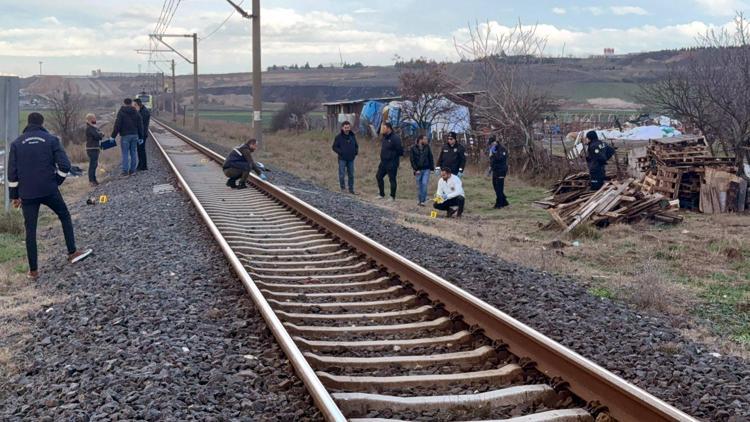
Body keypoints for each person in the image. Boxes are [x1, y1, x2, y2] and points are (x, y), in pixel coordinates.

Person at [7, 112, 93, 280]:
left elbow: (12, 174)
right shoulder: (51, 140)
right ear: (42, 123)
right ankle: (72, 252)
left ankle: (33, 271)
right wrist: (57, 182)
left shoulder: (16, 144)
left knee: (30, 231)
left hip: (27, 194)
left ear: (28, 124)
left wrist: (15, 196)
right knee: (64, 216)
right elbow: (65, 165)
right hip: (49, 190)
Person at [111, 98, 144, 176]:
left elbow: (117, 125)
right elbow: (140, 125)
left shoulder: (121, 112)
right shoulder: (136, 112)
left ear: (124, 103)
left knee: (125, 153)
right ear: (131, 103)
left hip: (125, 136)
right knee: (133, 152)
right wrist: (141, 137)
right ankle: (132, 170)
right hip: (135, 135)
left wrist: (113, 136)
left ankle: (125, 171)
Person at [375, 122, 403, 200]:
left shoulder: (395, 138)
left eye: (384, 128)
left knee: (392, 179)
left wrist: (392, 156)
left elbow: (400, 151)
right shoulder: (384, 137)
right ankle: (381, 194)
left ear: (388, 128)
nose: (382, 130)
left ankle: (392, 196)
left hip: (392, 162)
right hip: (383, 162)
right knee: (378, 176)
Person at [331, 120, 358, 194]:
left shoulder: (352, 136)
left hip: (351, 159)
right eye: (345, 127)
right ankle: (343, 188)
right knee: (342, 174)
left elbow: (356, 145)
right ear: (342, 128)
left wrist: (355, 152)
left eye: (348, 127)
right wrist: (341, 152)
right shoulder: (338, 137)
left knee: (351, 175)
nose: (347, 129)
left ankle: (351, 189)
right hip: (342, 159)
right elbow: (334, 147)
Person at [410, 134, 434, 206]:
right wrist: (415, 169)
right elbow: (412, 160)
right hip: (418, 170)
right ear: (421, 140)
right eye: (425, 139)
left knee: (424, 184)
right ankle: (420, 200)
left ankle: (423, 201)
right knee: (419, 186)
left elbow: (430, 157)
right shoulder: (413, 148)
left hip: (426, 169)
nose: (427, 140)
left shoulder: (427, 147)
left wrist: (432, 168)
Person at [489, 136, 509, 208]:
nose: (491, 145)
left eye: (492, 144)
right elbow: (492, 160)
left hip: (501, 170)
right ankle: (504, 201)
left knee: (499, 187)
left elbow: (500, 158)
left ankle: (499, 203)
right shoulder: (492, 149)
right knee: (495, 186)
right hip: (495, 170)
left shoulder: (502, 149)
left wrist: (494, 153)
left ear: (495, 142)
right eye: (490, 144)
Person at [84, 113, 103, 187]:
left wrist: (99, 134)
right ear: (90, 119)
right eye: (94, 118)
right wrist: (100, 135)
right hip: (91, 148)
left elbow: (98, 135)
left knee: (94, 164)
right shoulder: (90, 128)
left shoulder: (93, 128)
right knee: (93, 165)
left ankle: (94, 180)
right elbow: (97, 136)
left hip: (94, 148)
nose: (95, 119)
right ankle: (91, 181)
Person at [133, 98, 151, 171]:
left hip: (142, 134)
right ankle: (141, 165)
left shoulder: (144, 112)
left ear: (138, 105)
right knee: (140, 150)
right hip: (141, 133)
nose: (133, 107)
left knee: (141, 150)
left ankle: (143, 166)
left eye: (134, 105)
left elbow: (140, 122)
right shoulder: (142, 111)